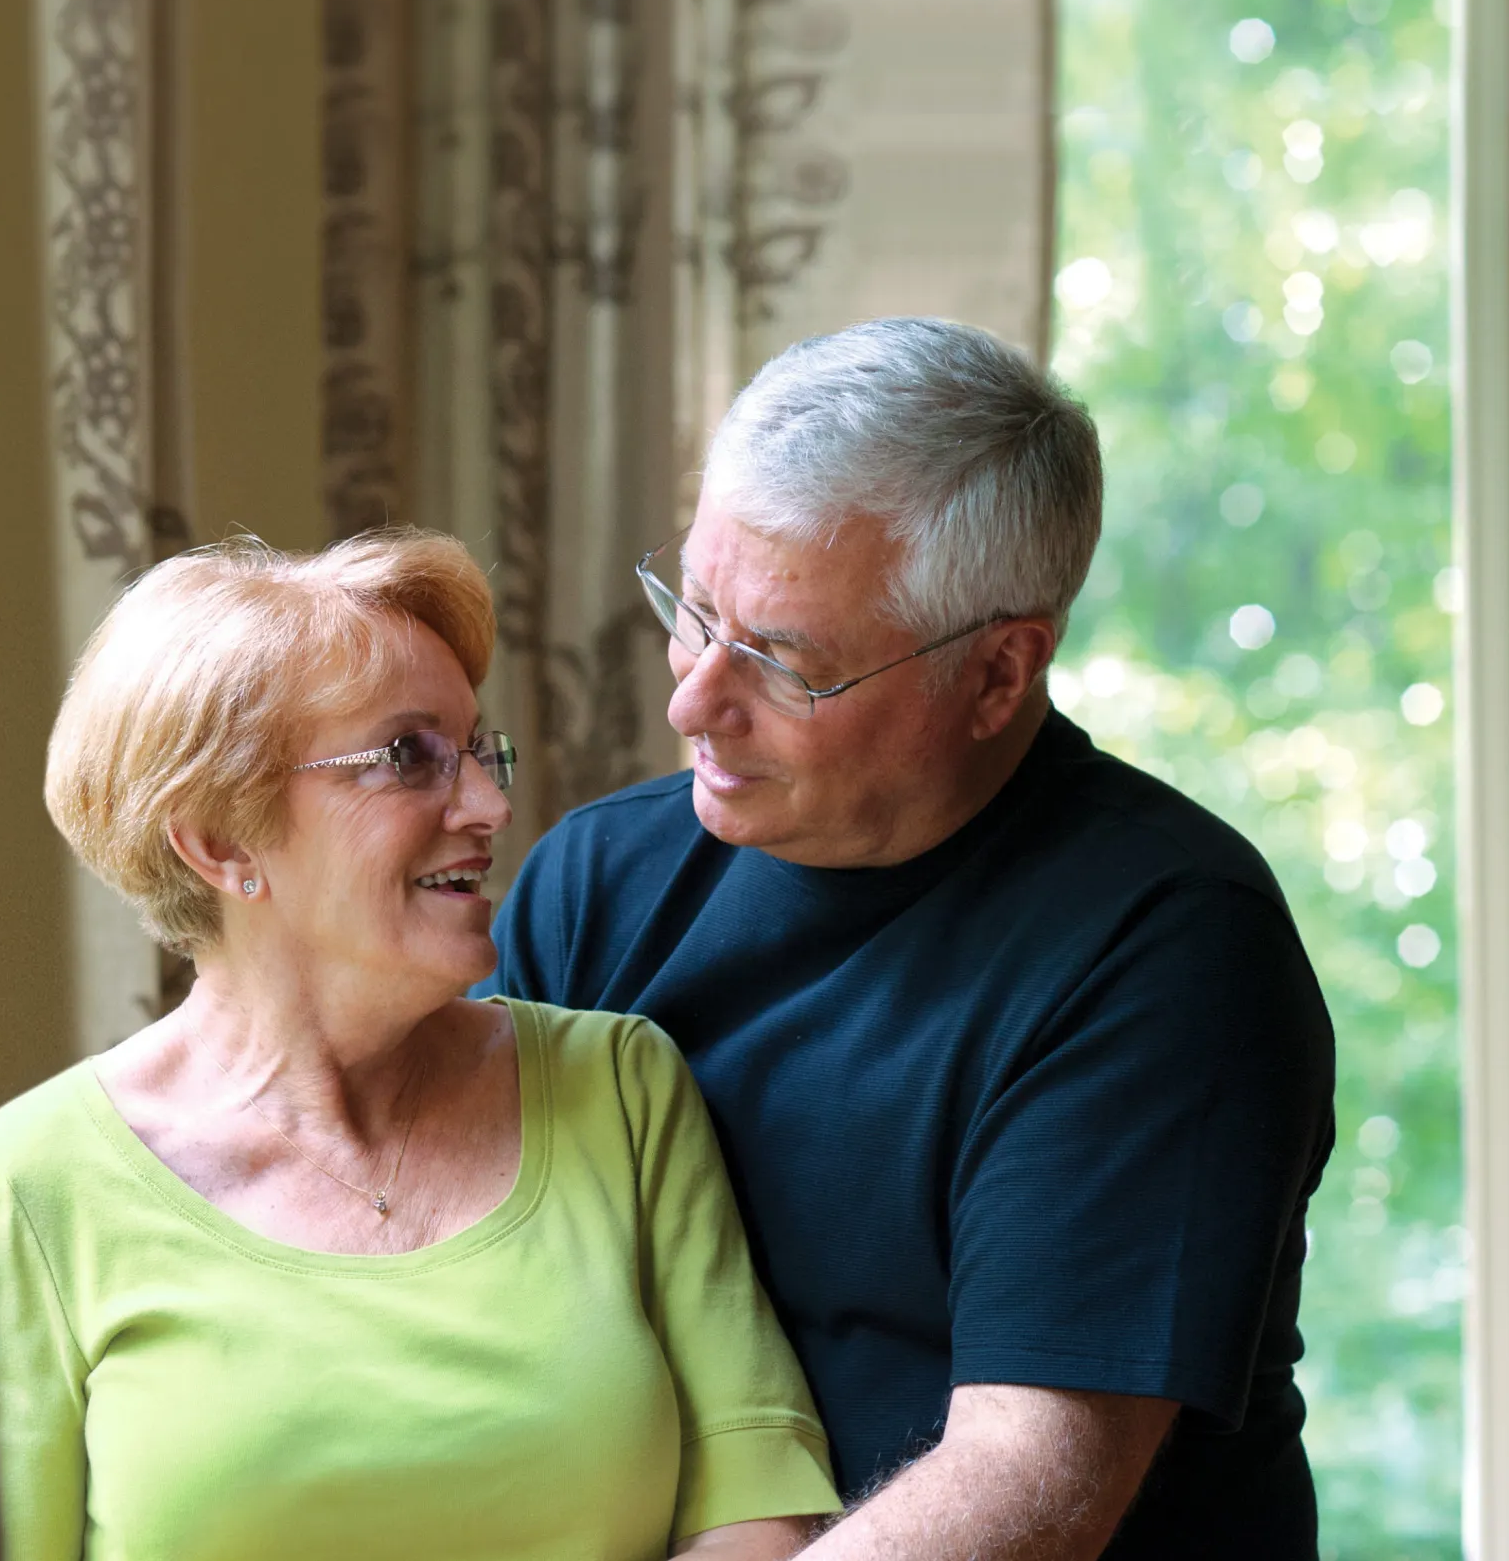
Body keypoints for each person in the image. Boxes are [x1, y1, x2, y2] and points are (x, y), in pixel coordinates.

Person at [490, 317, 1337, 1559]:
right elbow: (473, 1308)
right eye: (694, 609)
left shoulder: (1167, 949)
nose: (691, 701)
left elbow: (1026, 1489)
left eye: (781, 662)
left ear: (998, 674)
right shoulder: (597, 884)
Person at [0, 529, 844, 1560]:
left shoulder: (616, 1087)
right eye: (407, 758)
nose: (489, 804)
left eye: (477, 750)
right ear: (219, 840)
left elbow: (758, 1513)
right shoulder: (32, 1183)